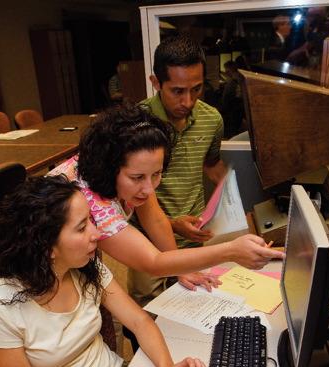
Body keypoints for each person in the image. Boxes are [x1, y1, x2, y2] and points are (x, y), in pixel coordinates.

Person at [0, 175, 210, 367]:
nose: (97, 233)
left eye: (92, 220)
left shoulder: (86, 268)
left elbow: (140, 321)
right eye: (82, 227)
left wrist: (166, 366)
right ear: (46, 246)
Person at [49, 104, 283, 292]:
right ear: (110, 169)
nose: (149, 189)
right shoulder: (91, 200)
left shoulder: (133, 173)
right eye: (137, 177)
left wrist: (181, 268)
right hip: (43, 268)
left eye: (157, 174)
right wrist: (230, 250)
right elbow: (152, 263)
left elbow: (156, 220)